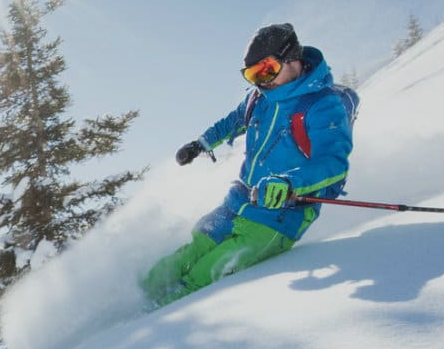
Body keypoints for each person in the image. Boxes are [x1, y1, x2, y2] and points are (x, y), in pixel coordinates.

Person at [142, 23, 354, 307]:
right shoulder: (259, 98)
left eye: (266, 70)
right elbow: (234, 120)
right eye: (252, 75)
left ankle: (137, 329)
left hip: (279, 215)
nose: (260, 81)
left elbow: (333, 163)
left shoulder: (322, 105)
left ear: (292, 58)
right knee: (184, 257)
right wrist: (201, 144)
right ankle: (125, 308)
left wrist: (289, 183)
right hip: (239, 199)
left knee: (205, 276)